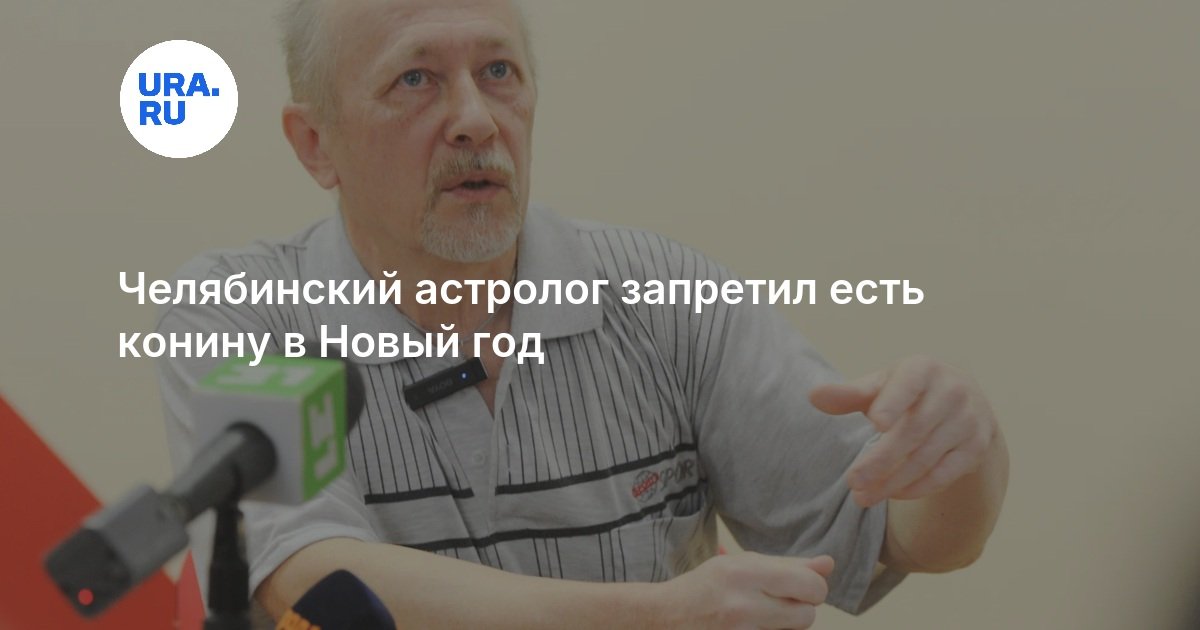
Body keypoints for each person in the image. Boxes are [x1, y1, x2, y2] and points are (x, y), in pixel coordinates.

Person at [157, 0, 1009, 627]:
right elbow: (311, 579)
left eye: (499, 73)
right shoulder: (247, 309)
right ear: (316, 144)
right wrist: (657, 618)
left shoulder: (665, 295)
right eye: (415, 80)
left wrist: (963, 458)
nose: (474, 120)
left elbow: (898, 537)